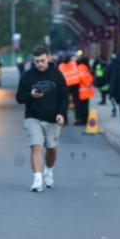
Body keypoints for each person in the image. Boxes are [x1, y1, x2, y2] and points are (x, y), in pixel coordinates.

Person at [15, 46, 68, 192]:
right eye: (37, 61)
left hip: (52, 118)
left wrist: (62, 114)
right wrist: (30, 95)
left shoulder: (57, 75)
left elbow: (64, 97)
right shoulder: (27, 76)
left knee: (51, 149)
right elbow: (19, 98)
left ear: (49, 58)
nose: (39, 64)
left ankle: (49, 171)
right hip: (33, 117)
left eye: (42, 61)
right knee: (36, 146)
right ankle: (37, 179)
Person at [58, 55, 80, 124]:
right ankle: (77, 118)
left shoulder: (60, 66)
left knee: (65, 103)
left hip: (66, 86)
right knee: (76, 102)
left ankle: (65, 120)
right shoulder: (74, 63)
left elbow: (59, 77)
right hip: (75, 84)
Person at [76, 56, 95, 126]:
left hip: (82, 91)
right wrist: (88, 84)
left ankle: (82, 119)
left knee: (82, 106)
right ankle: (83, 120)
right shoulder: (83, 67)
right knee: (84, 106)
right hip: (84, 91)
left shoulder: (81, 67)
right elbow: (83, 76)